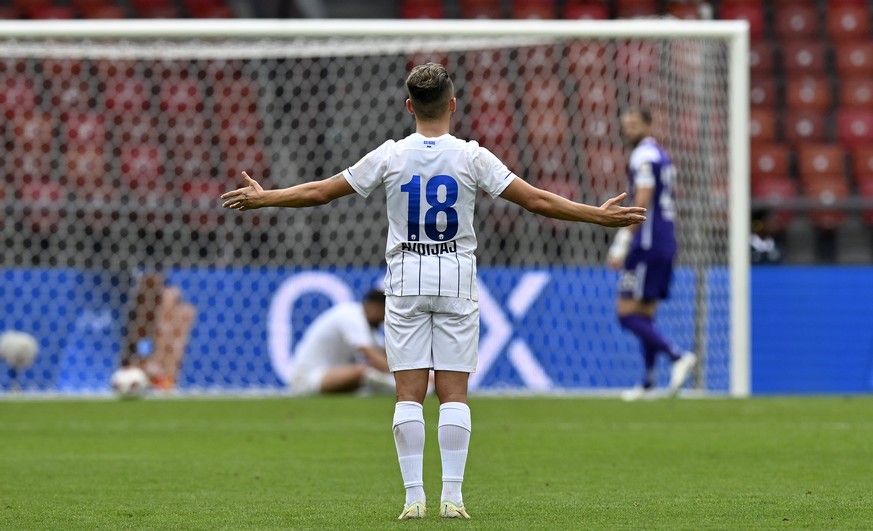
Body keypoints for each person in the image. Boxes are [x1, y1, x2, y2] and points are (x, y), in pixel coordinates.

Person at [222, 63, 646, 520]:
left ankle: (412, 499)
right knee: (453, 395)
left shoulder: (389, 156)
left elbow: (321, 192)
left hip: (404, 281)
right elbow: (537, 200)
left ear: (409, 107)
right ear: (453, 104)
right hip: (456, 280)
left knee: (408, 394)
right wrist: (596, 216)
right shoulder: (472, 156)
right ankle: (454, 499)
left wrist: (266, 197)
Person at [606, 108, 697, 402]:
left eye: (634, 124)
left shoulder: (643, 155)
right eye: (626, 125)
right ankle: (647, 384)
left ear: (648, 125)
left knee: (626, 314)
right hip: (665, 240)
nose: (629, 129)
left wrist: (622, 240)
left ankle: (677, 355)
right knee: (645, 314)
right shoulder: (662, 156)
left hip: (646, 243)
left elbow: (643, 196)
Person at [287, 289, 395, 395]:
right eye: (384, 312)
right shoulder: (350, 315)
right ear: (375, 307)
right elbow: (371, 354)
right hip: (306, 379)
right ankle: (398, 389)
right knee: (362, 372)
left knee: (366, 372)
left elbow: (383, 354)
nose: (384, 319)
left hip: (328, 375)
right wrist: (399, 377)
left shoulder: (368, 327)